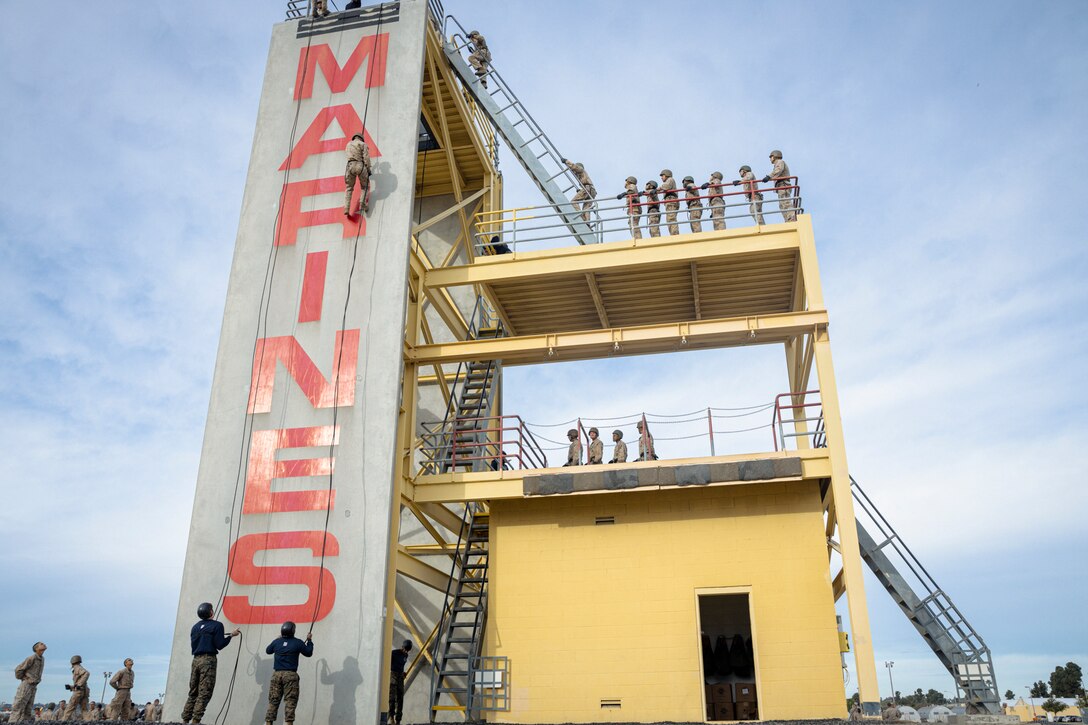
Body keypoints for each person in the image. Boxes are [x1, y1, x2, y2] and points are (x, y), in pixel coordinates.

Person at [181, 602, 240, 724]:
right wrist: (231, 636)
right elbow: (220, 645)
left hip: (195, 660)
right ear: (211, 612)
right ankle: (196, 721)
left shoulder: (195, 627)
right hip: (208, 660)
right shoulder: (217, 625)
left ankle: (185, 720)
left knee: (193, 692)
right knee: (205, 692)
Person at [264, 622, 314, 725]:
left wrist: (277, 640)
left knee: (273, 701)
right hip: (290, 676)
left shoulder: (277, 642)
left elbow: (268, 650)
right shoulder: (298, 643)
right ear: (293, 631)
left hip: (276, 675)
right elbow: (308, 653)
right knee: (290, 702)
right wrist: (309, 640)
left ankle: (268, 723)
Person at [11, 641, 46, 722]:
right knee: (18, 706)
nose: (43, 644)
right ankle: (13, 722)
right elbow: (18, 670)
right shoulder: (32, 658)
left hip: (34, 686)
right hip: (26, 685)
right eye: (41, 644)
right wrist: (25, 678)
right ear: (36, 648)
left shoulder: (42, 659)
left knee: (28, 708)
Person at [762, 149, 796, 222]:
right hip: (780, 186)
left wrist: (769, 176)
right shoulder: (776, 164)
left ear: (775, 156)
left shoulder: (780, 162)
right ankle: (788, 219)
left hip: (784, 185)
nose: (770, 159)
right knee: (782, 205)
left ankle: (792, 217)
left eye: (771, 157)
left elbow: (778, 170)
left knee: (785, 202)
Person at [344, 131, 372, 217]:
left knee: (349, 188)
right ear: (361, 138)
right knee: (365, 186)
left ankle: (346, 208)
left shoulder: (348, 144)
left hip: (350, 166)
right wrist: (368, 168)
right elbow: (366, 158)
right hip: (360, 165)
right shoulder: (363, 144)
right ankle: (362, 202)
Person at [561, 159, 596, 223]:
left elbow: (575, 167)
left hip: (587, 189)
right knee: (586, 209)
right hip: (592, 191)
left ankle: (581, 218)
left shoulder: (581, 170)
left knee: (573, 202)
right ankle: (587, 223)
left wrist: (566, 161)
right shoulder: (582, 175)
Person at [389, 640, 412, 725]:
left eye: (408, 650)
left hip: (400, 677)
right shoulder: (394, 653)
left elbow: (401, 665)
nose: (406, 651)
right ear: (402, 647)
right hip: (393, 676)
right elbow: (389, 663)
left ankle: (398, 719)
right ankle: (391, 717)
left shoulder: (406, 655)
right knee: (392, 698)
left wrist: (403, 672)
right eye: (405, 649)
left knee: (400, 699)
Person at [62, 655, 90, 720]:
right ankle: (89, 721)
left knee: (69, 708)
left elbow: (87, 673)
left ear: (72, 662)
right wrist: (71, 687)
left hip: (79, 692)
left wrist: (79, 684)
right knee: (84, 710)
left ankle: (63, 721)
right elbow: (79, 683)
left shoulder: (77, 667)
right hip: (84, 691)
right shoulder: (78, 668)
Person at [659, 169, 680, 235]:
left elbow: (666, 186)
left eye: (662, 175)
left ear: (667, 175)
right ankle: (673, 234)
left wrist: (657, 189)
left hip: (671, 201)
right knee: (669, 219)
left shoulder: (670, 179)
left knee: (671, 218)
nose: (661, 177)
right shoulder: (668, 181)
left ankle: (675, 235)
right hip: (670, 202)